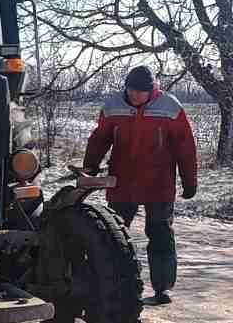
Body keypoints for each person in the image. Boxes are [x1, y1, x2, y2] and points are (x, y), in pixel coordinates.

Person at [82, 65, 198, 304]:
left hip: (159, 184)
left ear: (152, 90)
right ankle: (111, 287)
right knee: (113, 235)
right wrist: (90, 165)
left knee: (160, 233)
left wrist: (189, 181)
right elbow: (100, 138)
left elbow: (185, 147)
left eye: (141, 92)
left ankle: (162, 289)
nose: (136, 95)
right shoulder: (113, 105)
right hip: (122, 182)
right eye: (132, 90)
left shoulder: (170, 107)